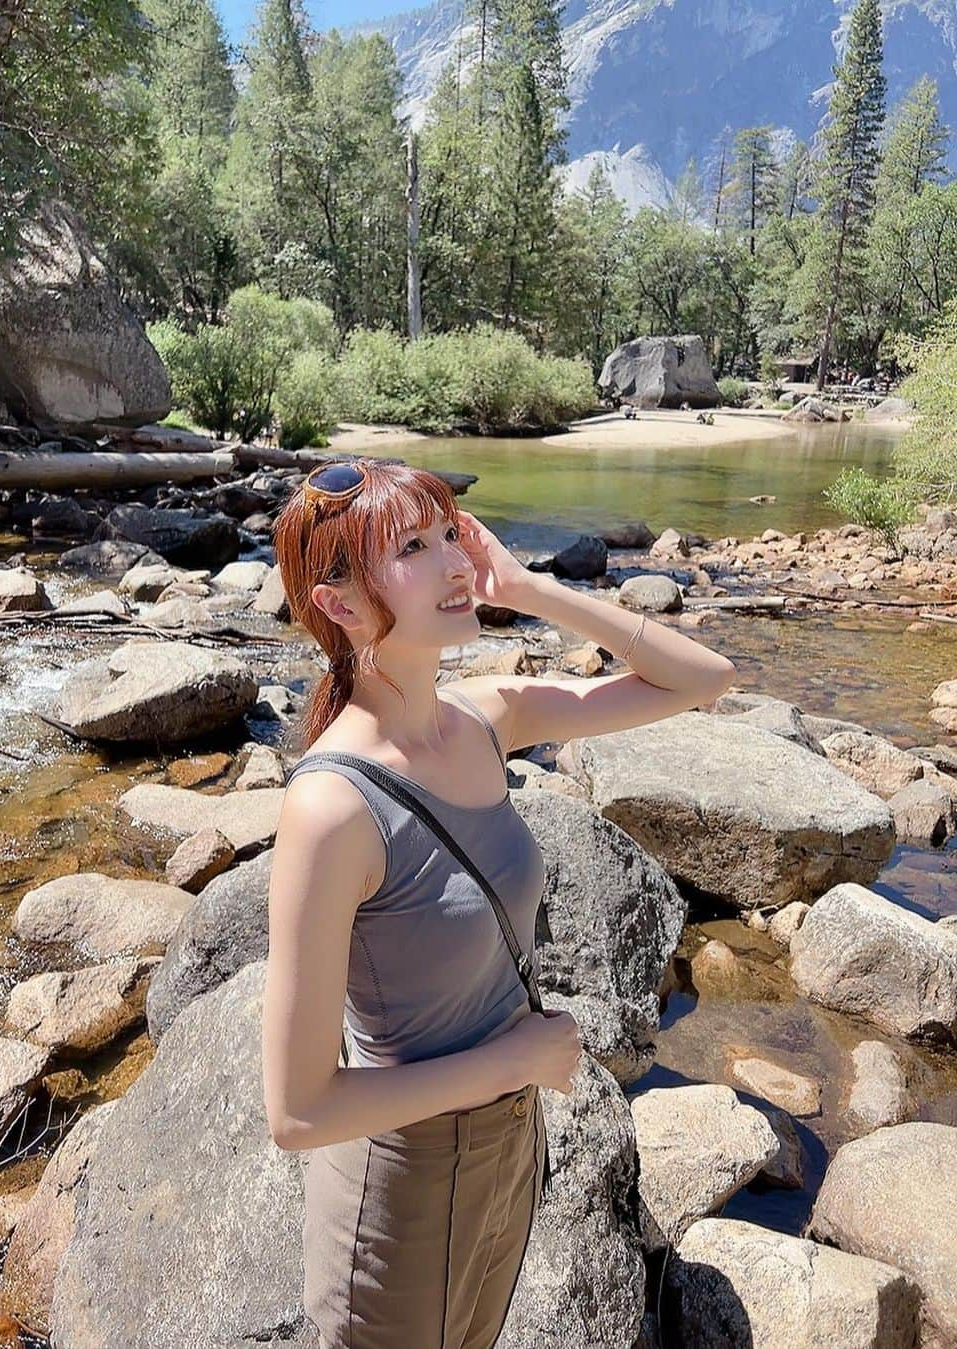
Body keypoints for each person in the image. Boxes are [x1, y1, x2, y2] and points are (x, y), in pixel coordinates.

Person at [261, 458, 737, 1348]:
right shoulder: (332, 807)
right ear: (344, 605)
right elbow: (298, 1112)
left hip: (511, 1143)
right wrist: (509, 1061)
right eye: (413, 546)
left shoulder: (487, 717)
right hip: (400, 1192)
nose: (454, 562)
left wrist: (529, 587)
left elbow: (704, 677)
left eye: (450, 533)